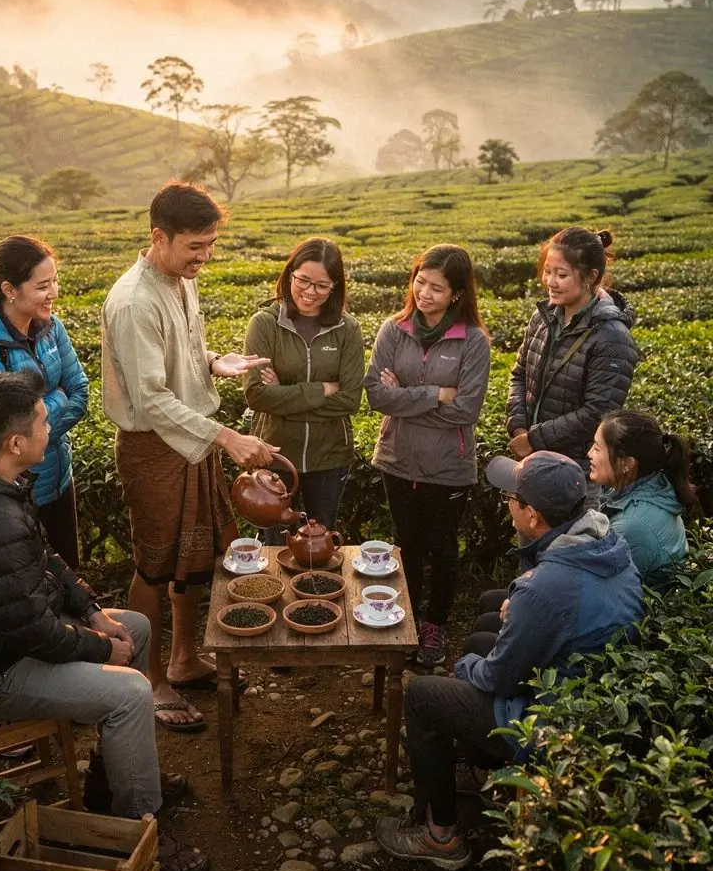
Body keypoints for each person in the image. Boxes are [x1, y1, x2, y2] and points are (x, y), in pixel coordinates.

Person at [0, 370, 207, 871]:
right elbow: (31, 633)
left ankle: (110, 781)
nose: (51, 428)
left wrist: (93, 612)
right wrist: (100, 649)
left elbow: (45, 556)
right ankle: (139, 824)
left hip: (6, 639)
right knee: (131, 692)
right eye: (44, 421)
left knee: (134, 627)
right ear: (15, 442)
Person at [375, 451, 643, 871]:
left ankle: (440, 835)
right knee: (484, 632)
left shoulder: (547, 586)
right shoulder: (602, 539)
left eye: (511, 498)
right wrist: (520, 608)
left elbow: (499, 678)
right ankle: (480, 767)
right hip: (594, 696)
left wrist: (464, 667)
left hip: (557, 724)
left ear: (533, 515)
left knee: (424, 695)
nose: (506, 504)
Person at [101, 181, 276, 732]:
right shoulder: (134, 300)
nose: (205, 256)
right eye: (195, 246)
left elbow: (180, 349)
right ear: (160, 237)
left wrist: (214, 361)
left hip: (189, 439)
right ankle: (149, 677)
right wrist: (227, 437)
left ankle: (183, 658)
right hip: (155, 448)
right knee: (154, 565)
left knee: (195, 557)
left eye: (211, 244)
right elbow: (151, 398)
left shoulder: (179, 279)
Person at [364, 244, 491, 667]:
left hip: (448, 465)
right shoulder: (393, 329)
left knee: (443, 548)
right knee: (407, 546)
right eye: (420, 282)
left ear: (457, 294)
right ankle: (404, 622)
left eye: (437, 288)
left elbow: (466, 409)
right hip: (397, 458)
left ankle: (434, 626)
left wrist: (404, 396)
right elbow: (376, 396)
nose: (425, 293)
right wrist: (436, 393)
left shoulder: (473, 341)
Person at [0, 235, 88, 567]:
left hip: (57, 478)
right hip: (6, 493)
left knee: (69, 575)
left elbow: (80, 393)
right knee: (25, 583)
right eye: (42, 286)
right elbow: (3, 438)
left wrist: (35, 419)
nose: (54, 292)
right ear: (10, 289)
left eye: (54, 281)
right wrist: (58, 398)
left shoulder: (52, 327)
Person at [507, 227, 638, 505]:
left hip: (575, 473)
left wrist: (534, 439)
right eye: (547, 271)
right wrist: (518, 427)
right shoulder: (542, 318)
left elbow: (597, 411)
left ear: (590, 277)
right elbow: (519, 375)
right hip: (533, 463)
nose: (550, 282)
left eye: (562, 275)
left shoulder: (612, 337)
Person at [242, 237, 365, 534]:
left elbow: (350, 400)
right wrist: (323, 389)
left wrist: (283, 395)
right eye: (303, 280)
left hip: (330, 457)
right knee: (275, 543)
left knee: (319, 541)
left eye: (322, 286)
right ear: (289, 275)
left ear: (335, 287)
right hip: (275, 455)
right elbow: (257, 395)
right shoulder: (264, 324)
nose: (310, 292)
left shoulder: (348, 329)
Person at [588, 410, 693, 583]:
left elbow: (596, 583)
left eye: (597, 448)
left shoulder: (633, 526)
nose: (590, 454)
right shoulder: (646, 484)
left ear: (627, 464)